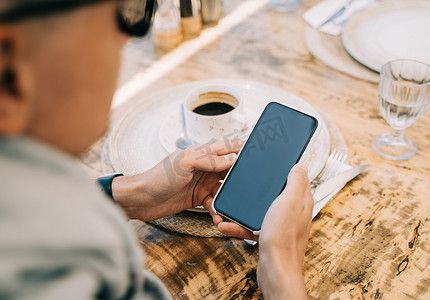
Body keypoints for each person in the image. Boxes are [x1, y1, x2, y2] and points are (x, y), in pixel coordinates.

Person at [0, 0, 314, 299]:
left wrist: (131, 194)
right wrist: (281, 270)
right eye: (123, 14)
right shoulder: (53, 273)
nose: (126, 39)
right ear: (10, 71)